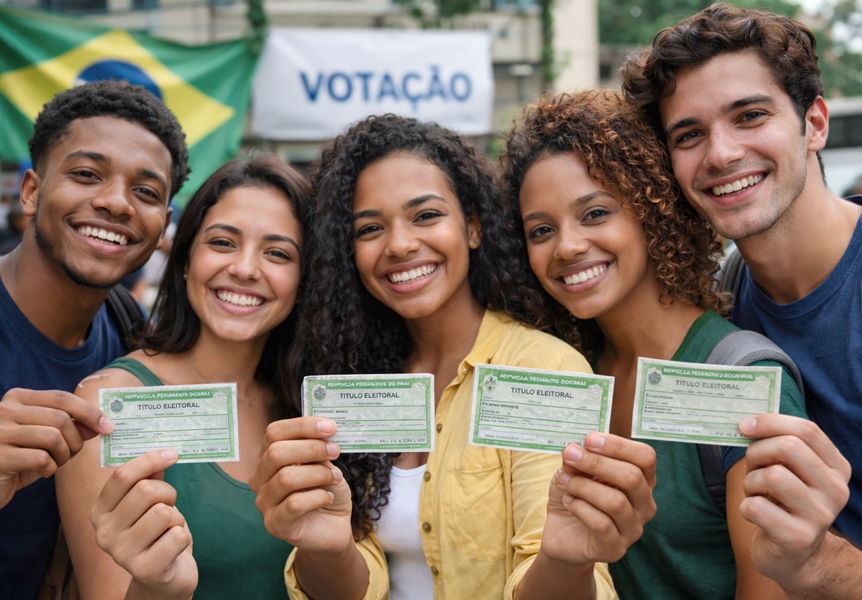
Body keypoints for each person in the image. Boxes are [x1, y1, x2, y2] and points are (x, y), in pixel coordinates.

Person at [251, 114, 618, 600]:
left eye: (425, 215)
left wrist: (563, 560)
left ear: (472, 226)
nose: (400, 244)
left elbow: (560, 560)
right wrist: (325, 549)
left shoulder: (543, 369)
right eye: (370, 228)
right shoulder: (352, 374)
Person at [500, 88, 807, 599]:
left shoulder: (743, 376)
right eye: (541, 230)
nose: (568, 246)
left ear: (651, 209)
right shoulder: (566, 369)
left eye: (595, 213)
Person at [621, 3, 860, 597]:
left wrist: (813, 561)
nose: (721, 154)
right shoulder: (723, 299)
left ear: (815, 123)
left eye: (749, 116)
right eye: (690, 135)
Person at [0, 80, 190, 598]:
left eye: (146, 192)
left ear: (163, 228)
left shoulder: (130, 334)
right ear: (31, 191)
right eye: (87, 175)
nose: (115, 203)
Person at [56, 155, 309, 599]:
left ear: (305, 279)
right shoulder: (109, 404)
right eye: (223, 242)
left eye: (277, 253)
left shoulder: (306, 399)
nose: (246, 268)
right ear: (186, 257)